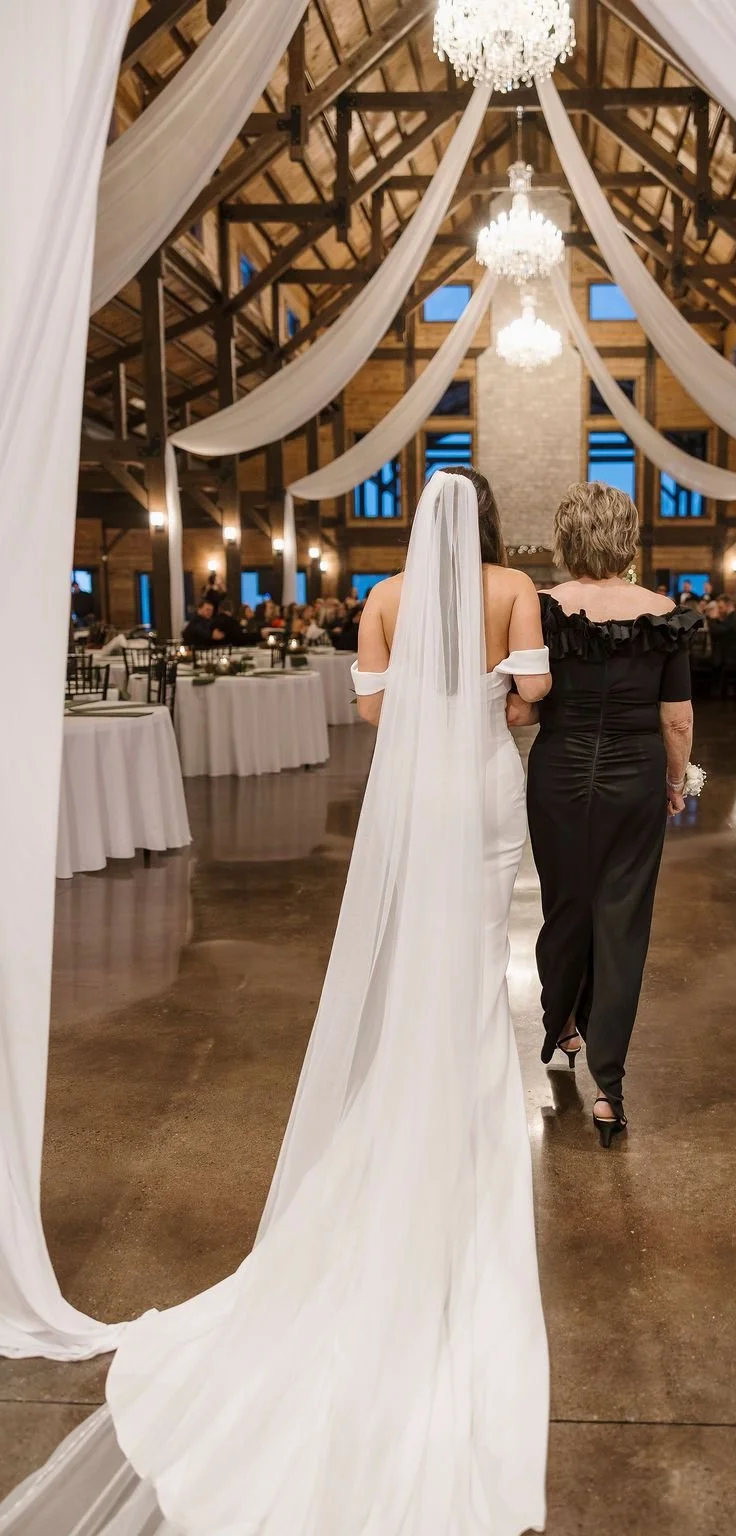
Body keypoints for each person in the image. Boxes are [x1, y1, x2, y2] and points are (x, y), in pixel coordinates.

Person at [0, 471, 552, 1535]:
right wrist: (491, 697)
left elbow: (373, 705)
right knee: (476, 957)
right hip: (485, 781)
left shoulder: (386, 596)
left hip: (415, 793)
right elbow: (534, 696)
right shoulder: (512, 583)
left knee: (413, 965)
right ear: (484, 520)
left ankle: (404, 1105)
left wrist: (433, 703)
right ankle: (469, 1117)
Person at [513, 482, 698, 1148]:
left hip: (559, 771)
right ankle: (609, 1090)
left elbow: (524, 703)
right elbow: (676, 718)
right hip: (635, 777)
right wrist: (681, 783)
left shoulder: (542, 610)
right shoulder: (664, 612)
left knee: (564, 904)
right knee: (621, 918)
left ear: (566, 539)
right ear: (629, 538)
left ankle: (560, 1020)